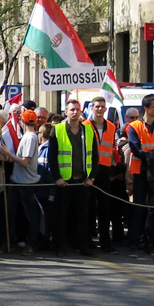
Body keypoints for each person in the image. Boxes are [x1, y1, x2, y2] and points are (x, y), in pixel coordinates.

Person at [47, 99, 98, 256]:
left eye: (77, 109)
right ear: (66, 112)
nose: (75, 112)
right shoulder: (57, 130)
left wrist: (92, 178)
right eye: (72, 110)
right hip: (64, 182)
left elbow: (95, 157)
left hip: (83, 181)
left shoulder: (88, 131)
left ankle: (82, 246)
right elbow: (52, 157)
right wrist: (57, 178)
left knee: (83, 216)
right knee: (62, 216)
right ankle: (60, 246)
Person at [126, 96, 154, 255]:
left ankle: (150, 243)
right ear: (145, 108)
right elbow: (135, 148)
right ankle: (133, 242)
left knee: (153, 209)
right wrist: (153, 156)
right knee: (138, 209)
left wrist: (153, 157)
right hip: (140, 172)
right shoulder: (134, 126)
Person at [0, 109, 45, 256]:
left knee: (29, 214)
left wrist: (7, 153)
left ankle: (31, 244)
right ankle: (9, 241)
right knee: (11, 213)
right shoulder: (28, 136)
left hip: (27, 182)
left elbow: (25, 162)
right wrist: (8, 157)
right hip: (17, 180)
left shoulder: (31, 138)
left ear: (22, 121)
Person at [85, 96, 119, 252]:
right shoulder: (84, 125)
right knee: (88, 207)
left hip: (104, 170)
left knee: (105, 208)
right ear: (92, 108)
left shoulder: (111, 127)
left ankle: (106, 241)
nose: (99, 109)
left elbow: (112, 149)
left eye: (102, 106)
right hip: (88, 170)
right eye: (97, 106)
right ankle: (88, 240)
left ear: (106, 109)